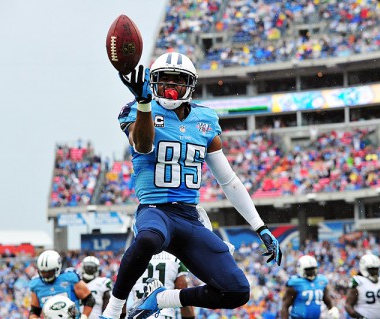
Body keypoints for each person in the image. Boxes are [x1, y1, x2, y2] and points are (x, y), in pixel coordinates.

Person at [100, 52, 282, 319]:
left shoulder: (205, 120)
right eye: (164, 81)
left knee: (237, 291)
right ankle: (114, 310)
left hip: (189, 217)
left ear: (190, 86)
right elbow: (143, 144)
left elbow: (228, 179)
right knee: (148, 238)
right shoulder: (138, 109)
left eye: (178, 82)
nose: (171, 88)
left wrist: (261, 226)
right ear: (153, 83)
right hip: (155, 209)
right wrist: (143, 103)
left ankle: (163, 299)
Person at [28, 250, 95, 319]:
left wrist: (84, 316)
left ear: (58, 268)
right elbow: (34, 311)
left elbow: (89, 299)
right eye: (43, 272)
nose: (46, 275)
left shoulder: (70, 278)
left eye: (49, 272)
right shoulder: (36, 284)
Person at [131, 251, 194, 319]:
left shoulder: (132, 256)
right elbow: (182, 297)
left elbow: (121, 295)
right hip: (164, 314)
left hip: (137, 314)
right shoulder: (175, 258)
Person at [280, 255, 340, 319]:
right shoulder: (295, 283)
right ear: (300, 269)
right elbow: (285, 306)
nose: (311, 272)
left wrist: (333, 309)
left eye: (313, 269)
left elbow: (328, 300)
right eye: (308, 270)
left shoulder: (321, 281)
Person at [345, 253, 380, 319]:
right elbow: (348, 305)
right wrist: (360, 317)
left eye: (376, 269)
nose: (375, 272)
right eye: (372, 269)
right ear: (364, 268)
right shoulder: (358, 281)